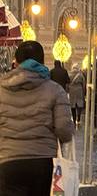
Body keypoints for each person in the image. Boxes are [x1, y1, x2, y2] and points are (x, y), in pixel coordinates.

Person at [0, 40, 74, 195]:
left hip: (8, 160)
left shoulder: (2, 89)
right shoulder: (55, 90)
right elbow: (64, 131)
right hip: (42, 163)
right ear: (42, 61)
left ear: (16, 61)